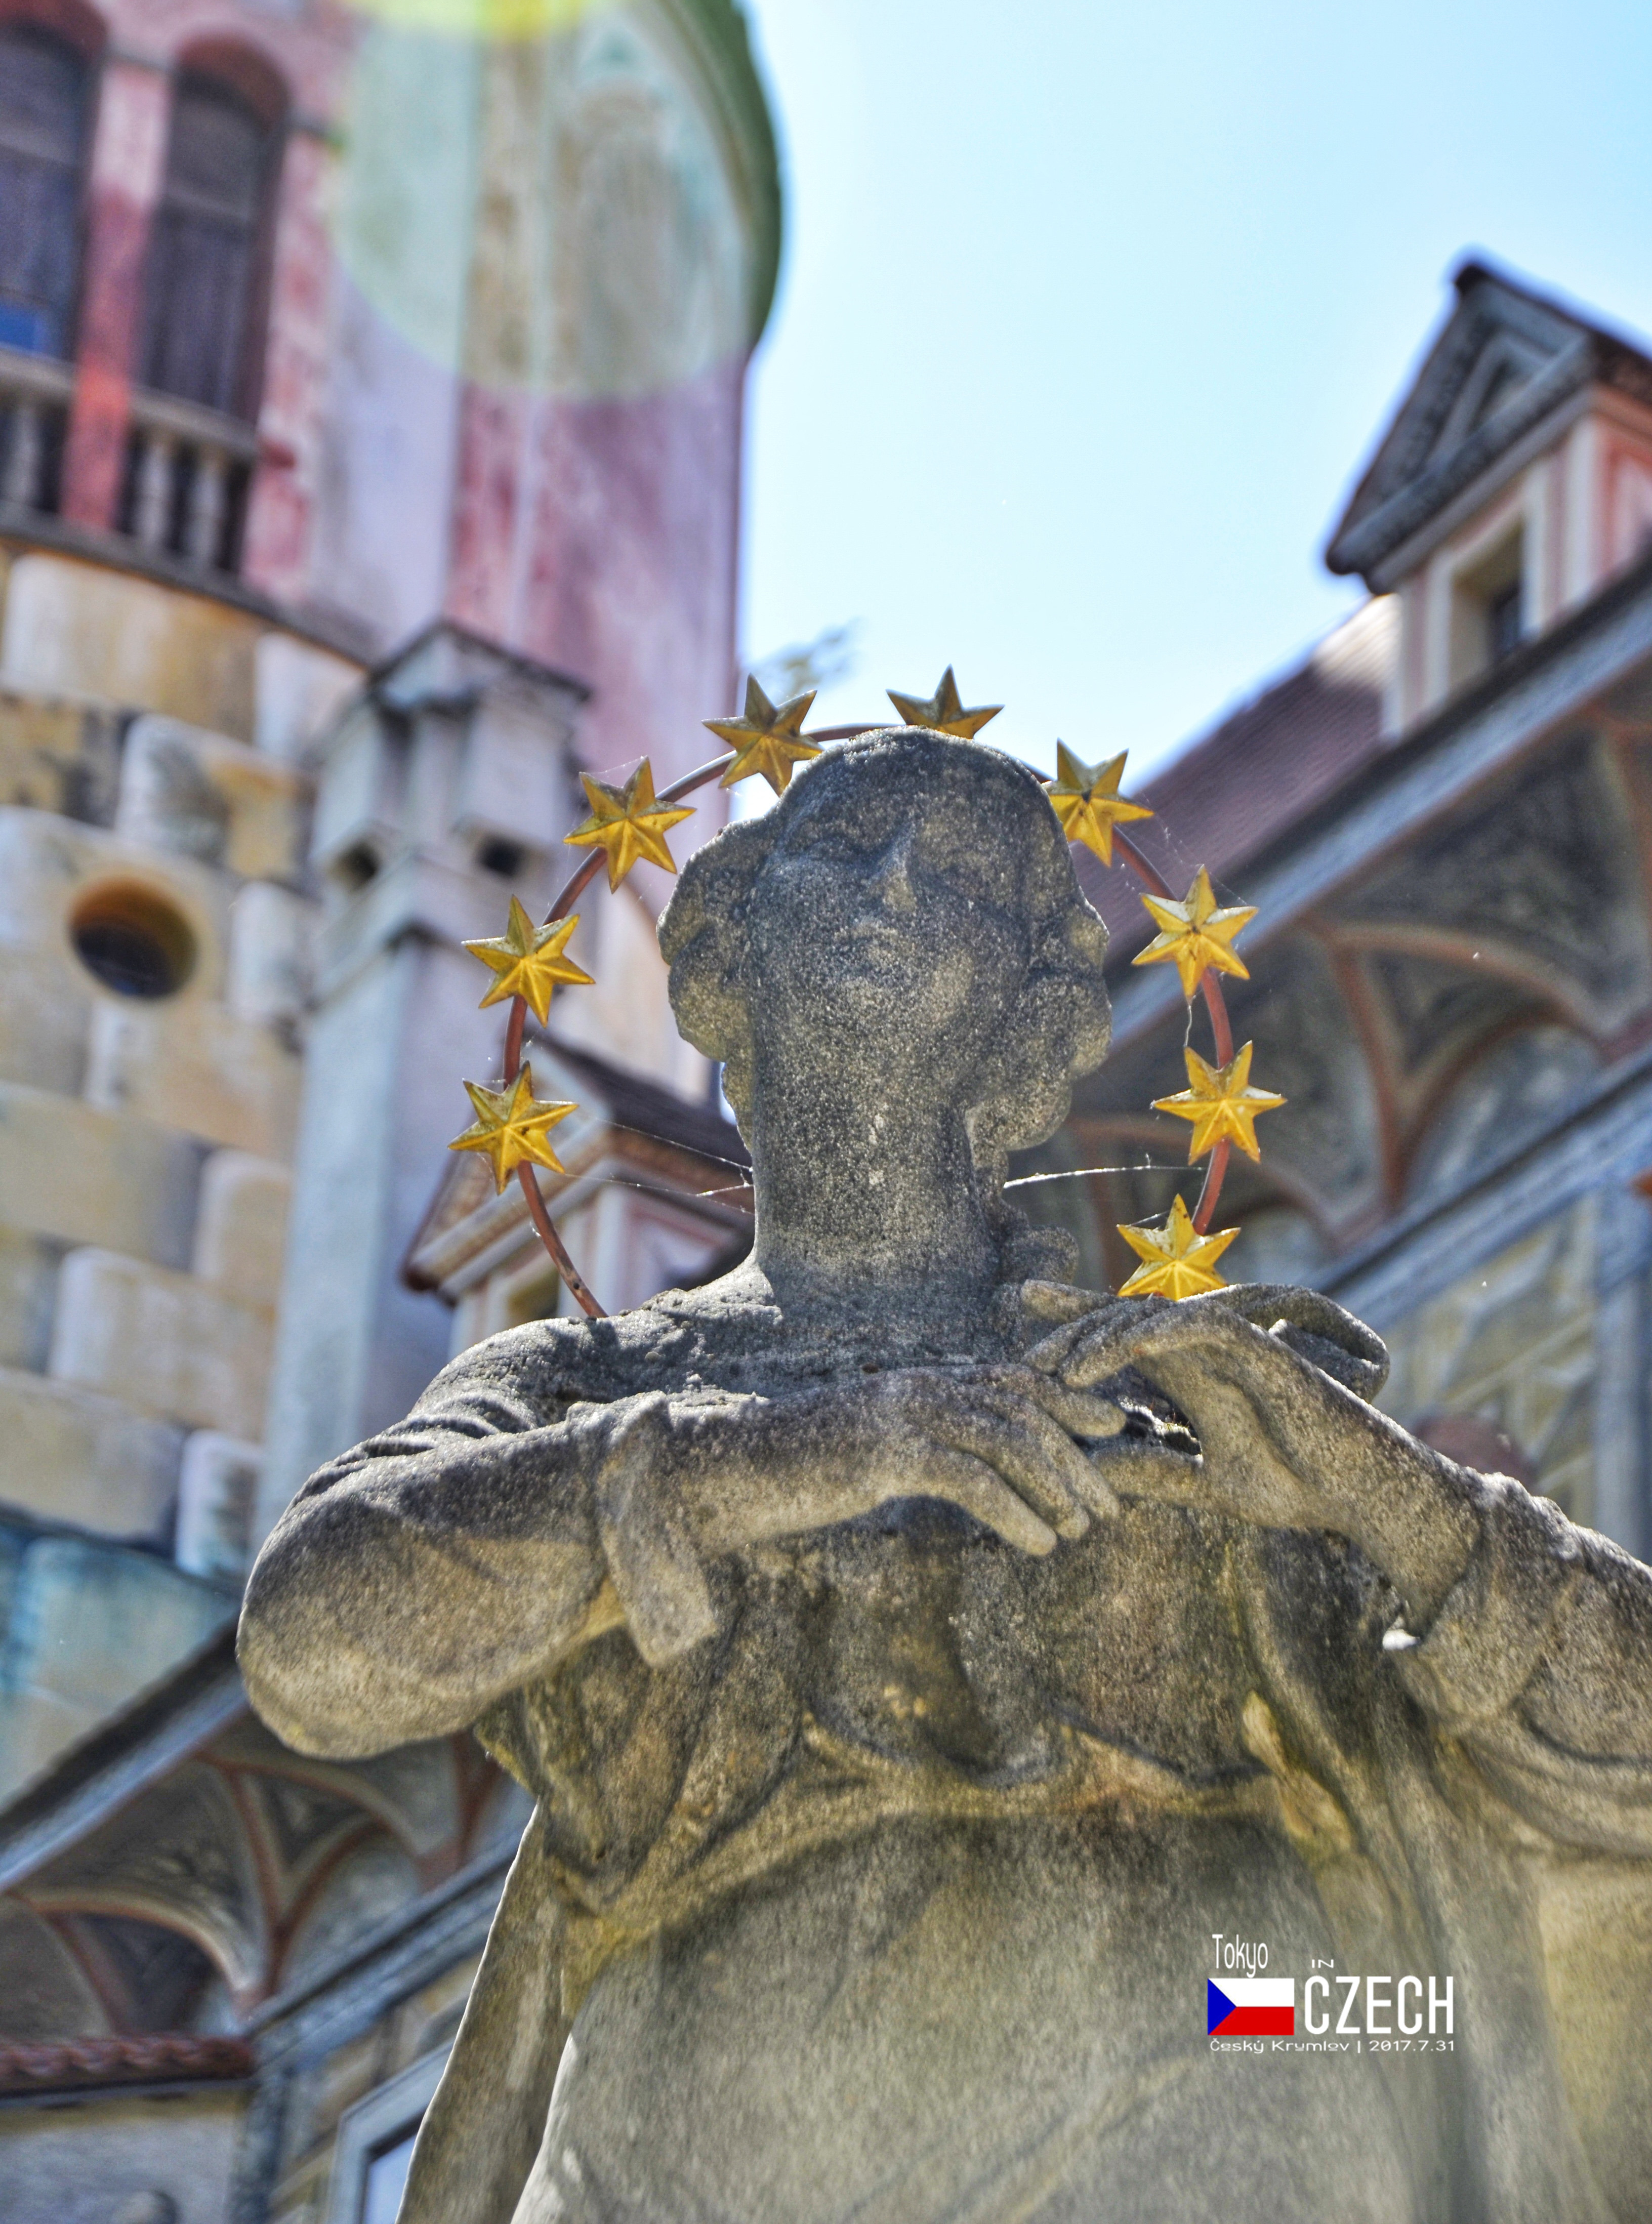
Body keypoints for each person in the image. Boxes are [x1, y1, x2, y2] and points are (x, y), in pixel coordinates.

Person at [240, 728, 1652, 2224]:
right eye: (848, 848)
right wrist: (811, 1454)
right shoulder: (587, 1383)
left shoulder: (1198, 1407)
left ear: (1034, 1016)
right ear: (729, 958)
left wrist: (1398, 1507)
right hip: (703, 2154)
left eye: (964, 875)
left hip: (1203, 2134)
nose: (899, 887)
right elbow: (310, 1643)